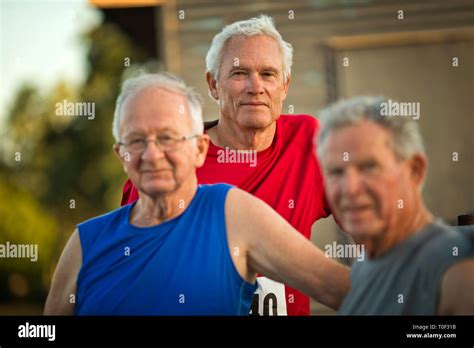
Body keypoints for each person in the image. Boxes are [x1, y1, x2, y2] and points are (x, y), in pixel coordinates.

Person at [43, 73, 349, 315]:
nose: (152, 154)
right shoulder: (85, 243)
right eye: (136, 140)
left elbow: (345, 290)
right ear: (120, 153)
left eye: (168, 137)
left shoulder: (233, 213)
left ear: (200, 149)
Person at [121, 14, 330, 316]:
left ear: (285, 86)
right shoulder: (168, 161)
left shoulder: (309, 141)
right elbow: (134, 273)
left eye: (268, 74)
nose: (255, 87)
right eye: (239, 73)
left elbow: (377, 220)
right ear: (213, 84)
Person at [316, 96, 474, 315]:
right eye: (336, 172)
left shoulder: (457, 272)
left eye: (369, 167)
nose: (349, 189)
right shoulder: (368, 264)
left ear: (414, 170)